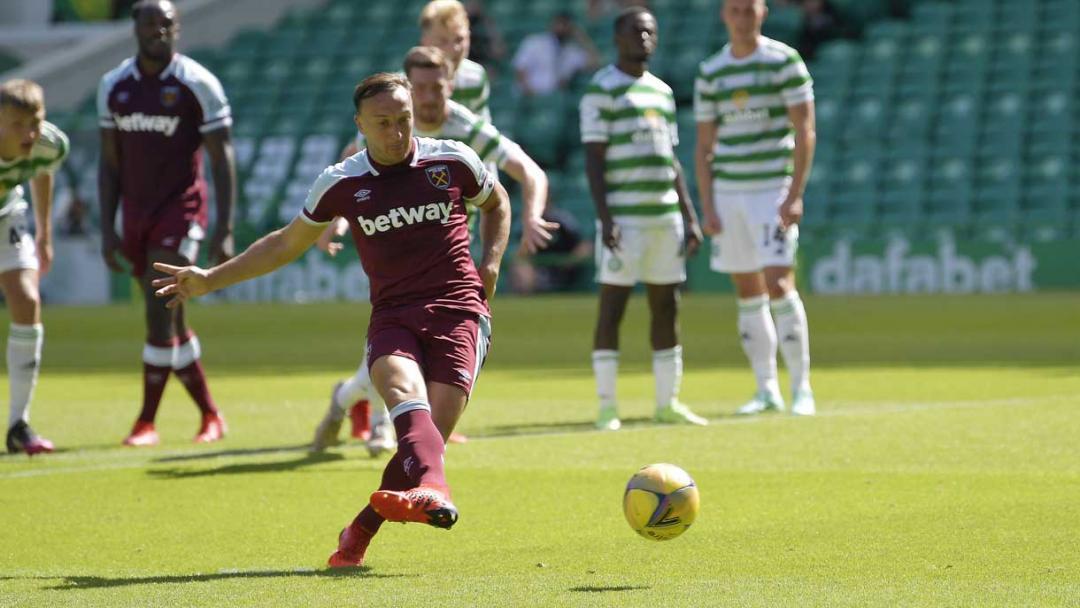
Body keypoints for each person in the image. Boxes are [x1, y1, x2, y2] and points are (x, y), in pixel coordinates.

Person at [152, 72, 512, 569]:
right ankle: (436, 490)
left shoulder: (451, 159)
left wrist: (490, 263)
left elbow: (497, 202)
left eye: (403, 120)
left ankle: (360, 530)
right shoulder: (343, 181)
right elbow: (285, 243)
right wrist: (210, 279)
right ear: (359, 125)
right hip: (393, 316)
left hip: (459, 311)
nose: (396, 132)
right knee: (409, 410)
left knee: (425, 442)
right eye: (383, 123)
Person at [311, 45, 554, 454]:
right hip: (398, 253)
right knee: (389, 362)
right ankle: (363, 413)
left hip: (449, 261)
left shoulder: (465, 126)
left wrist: (531, 217)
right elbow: (352, 167)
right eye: (419, 87)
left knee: (404, 363)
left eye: (436, 87)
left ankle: (371, 418)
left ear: (450, 86)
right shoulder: (385, 122)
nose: (427, 97)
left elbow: (527, 170)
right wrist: (334, 220)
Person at [98, 0, 236, 446]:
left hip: (182, 210)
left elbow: (222, 157)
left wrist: (225, 226)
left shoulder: (198, 84)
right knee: (171, 322)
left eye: (167, 23)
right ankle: (211, 416)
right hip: (136, 214)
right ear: (135, 27)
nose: (159, 30)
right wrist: (107, 227)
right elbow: (109, 164)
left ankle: (146, 422)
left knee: (159, 313)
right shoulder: (113, 86)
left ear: (177, 29)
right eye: (150, 22)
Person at [580, 6, 707, 431]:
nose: (646, 38)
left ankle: (667, 403)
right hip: (625, 221)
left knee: (666, 307)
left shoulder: (663, 92)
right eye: (637, 31)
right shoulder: (602, 89)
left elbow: (671, 159)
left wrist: (689, 215)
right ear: (618, 38)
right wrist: (606, 217)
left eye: (651, 31)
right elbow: (594, 161)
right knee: (612, 308)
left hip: (664, 217)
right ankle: (606, 406)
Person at [694, 0, 817, 416]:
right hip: (730, 193)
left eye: (749, 9)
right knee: (747, 291)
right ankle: (767, 389)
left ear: (763, 12)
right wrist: (708, 203)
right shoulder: (712, 71)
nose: (742, 17)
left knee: (779, 283)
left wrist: (794, 192)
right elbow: (705, 145)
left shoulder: (784, 61)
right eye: (735, 10)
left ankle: (802, 389)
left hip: (771, 189)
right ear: (724, 15)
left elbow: (804, 128)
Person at [0, 79, 68, 455]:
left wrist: (44, 234)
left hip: (7, 216)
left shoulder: (49, 143)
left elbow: (44, 171)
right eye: (17, 125)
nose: (29, 133)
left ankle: (18, 424)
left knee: (27, 301)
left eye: (35, 122)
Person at [513, 11, 600, 96]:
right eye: (559, 23)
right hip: (530, 97)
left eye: (565, 24)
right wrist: (531, 94)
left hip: (556, 99)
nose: (561, 28)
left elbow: (595, 63)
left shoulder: (572, 51)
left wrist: (581, 37)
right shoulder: (534, 42)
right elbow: (520, 70)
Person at [510, 206, 591, 294]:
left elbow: (585, 245)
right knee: (521, 266)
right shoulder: (527, 223)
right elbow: (519, 251)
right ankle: (524, 300)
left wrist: (568, 262)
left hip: (565, 272)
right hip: (537, 272)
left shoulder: (563, 220)